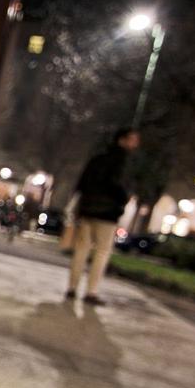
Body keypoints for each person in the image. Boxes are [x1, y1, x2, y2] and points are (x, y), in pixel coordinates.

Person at [66, 127, 140, 305]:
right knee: (102, 251)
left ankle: (72, 288)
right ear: (122, 140)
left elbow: (82, 184)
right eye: (132, 139)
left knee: (81, 249)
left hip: (87, 210)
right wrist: (123, 198)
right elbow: (115, 184)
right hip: (107, 212)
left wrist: (80, 206)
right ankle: (91, 291)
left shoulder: (97, 160)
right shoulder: (121, 162)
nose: (135, 144)